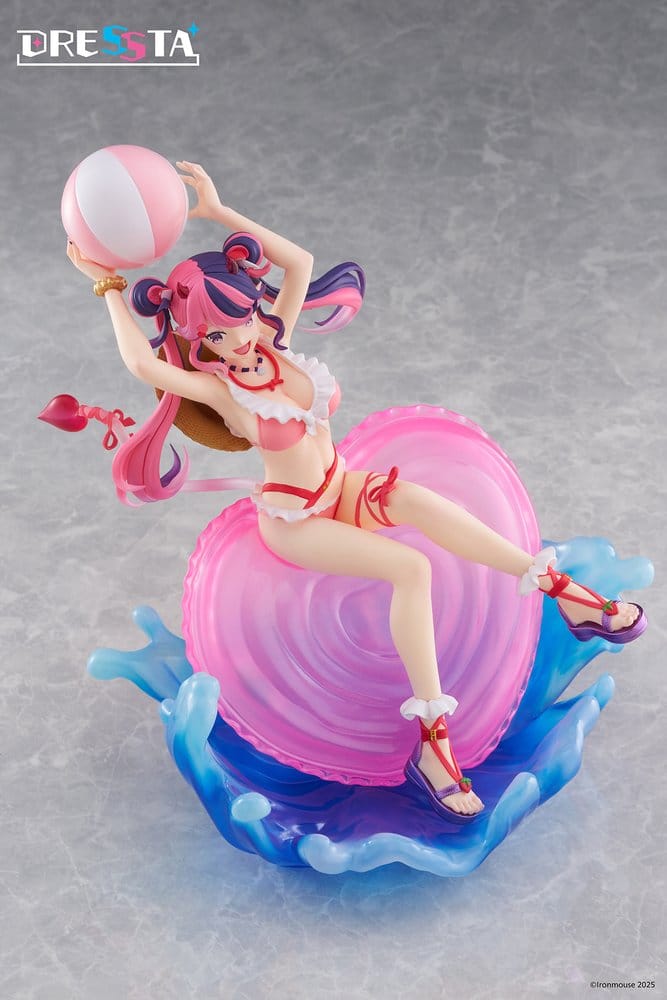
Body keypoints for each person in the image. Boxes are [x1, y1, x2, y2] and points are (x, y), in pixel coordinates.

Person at [65, 160, 646, 824]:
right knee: (412, 568)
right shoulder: (221, 391)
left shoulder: (279, 342)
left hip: (342, 486)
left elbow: (300, 263)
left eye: (240, 315)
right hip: (296, 518)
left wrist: (219, 211)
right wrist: (107, 284)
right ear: (200, 340)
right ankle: (433, 746)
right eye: (217, 332)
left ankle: (562, 593)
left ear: (252, 303)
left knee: (425, 503)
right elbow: (141, 362)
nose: (238, 336)